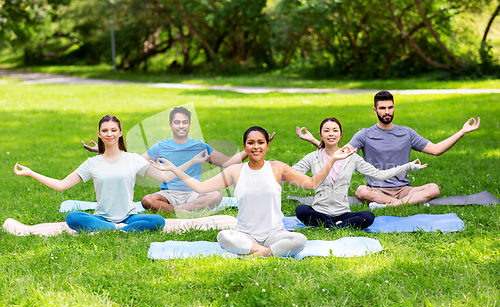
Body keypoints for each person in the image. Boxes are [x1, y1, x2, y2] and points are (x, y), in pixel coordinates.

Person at [149, 126, 355, 258]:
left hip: (275, 233)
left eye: (260, 142)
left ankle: (257, 254)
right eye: (251, 143)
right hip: (245, 235)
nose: (256, 147)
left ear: (267, 146)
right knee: (223, 236)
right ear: (245, 147)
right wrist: (175, 169)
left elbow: (311, 183)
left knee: (300, 240)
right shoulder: (235, 171)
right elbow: (200, 187)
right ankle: (264, 253)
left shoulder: (277, 168)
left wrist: (333, 159)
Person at [6, 115, 203, 234]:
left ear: (120, 133)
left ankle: (119, 230)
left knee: (158, 221)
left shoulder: (133, 159)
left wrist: (191, 162)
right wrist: (31, 172)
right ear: (99, 134)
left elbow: (165, 177)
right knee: (72, 217)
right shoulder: (92, 163)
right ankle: (117, 231)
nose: (109, 133)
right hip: (101, 218)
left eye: (113, 130)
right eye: (105, 130)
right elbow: (61, 185)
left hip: (129, 217)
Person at [296, 90, 480, 208]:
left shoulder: (407, 133)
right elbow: (339, 154)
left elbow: (436, 150)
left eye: (390, 107)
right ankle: (408, 204)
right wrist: (313, 139)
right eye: (382, 108)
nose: (387, 112)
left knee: (434, 189)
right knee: (361, 191)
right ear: (375, 110)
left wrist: (462, 131)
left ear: (394, 108)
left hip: (403, 189)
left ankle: (392, 205)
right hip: (376, 190)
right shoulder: (365, 134)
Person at [82, 107, 269, 213]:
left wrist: (252, 148)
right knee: (148, 200)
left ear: (189, 124)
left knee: (216, 196)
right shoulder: (160, 146)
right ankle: (184, 212)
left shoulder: (199, 146)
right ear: (171, 125)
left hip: (193, 193)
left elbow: (228, 163)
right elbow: (132, 161)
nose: (181, 125)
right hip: (169, 194)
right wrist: (103, 148)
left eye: (185, 122)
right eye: (177, 122)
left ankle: (178, 212)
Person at [293, 117, 426, 229]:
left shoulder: (352, 158)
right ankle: (335, 226)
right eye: (326, 131)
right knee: (301, 210)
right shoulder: (312, 157)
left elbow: (380, 175)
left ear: (341, 134)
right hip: (319, 211)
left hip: (343, 213)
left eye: (335, 130)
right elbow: (291, 173)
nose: (331, 134)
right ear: (321, 135)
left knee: (368, 216)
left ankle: (329, 226)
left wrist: (408, 166)